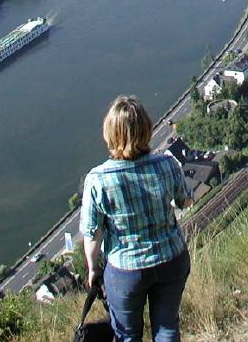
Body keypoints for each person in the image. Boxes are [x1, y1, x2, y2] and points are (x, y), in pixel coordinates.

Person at [79, 95, 193, 342]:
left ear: (109, 133)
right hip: (171, 257)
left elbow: (92, 234)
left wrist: (93, 268)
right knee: (166, 327)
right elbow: (186, 201)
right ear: (147, 128)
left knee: (128, 335)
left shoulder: (97, 179)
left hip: (126, 269)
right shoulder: (167, 164)